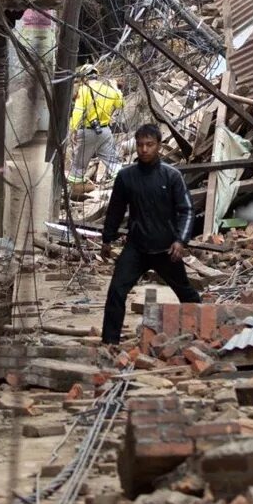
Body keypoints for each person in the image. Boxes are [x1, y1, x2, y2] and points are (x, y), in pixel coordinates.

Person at [99, 123, 199, 345]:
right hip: (137, 248)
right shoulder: (126, 177)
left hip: (166, 249)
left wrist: (180, 240)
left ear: (159, 146)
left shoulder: (171, 176)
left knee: (187, 294)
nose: (144, 149)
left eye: (149, 145)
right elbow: (115, 210)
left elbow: (187, 210)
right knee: (116, 291)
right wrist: (107, 238)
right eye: (140, 144)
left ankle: (201, 335)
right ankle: (109, 343)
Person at [68, 64, 126, 181]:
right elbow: (121, 104)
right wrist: (116, 88)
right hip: (105, 131)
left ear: (84, 77)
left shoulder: (83, 90)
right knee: (114, 164)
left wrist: (73, 129)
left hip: (87, 132)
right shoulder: (109, 90)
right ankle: (125, 187)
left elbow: (78, 111)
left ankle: (73, 192)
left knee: (78, 168)